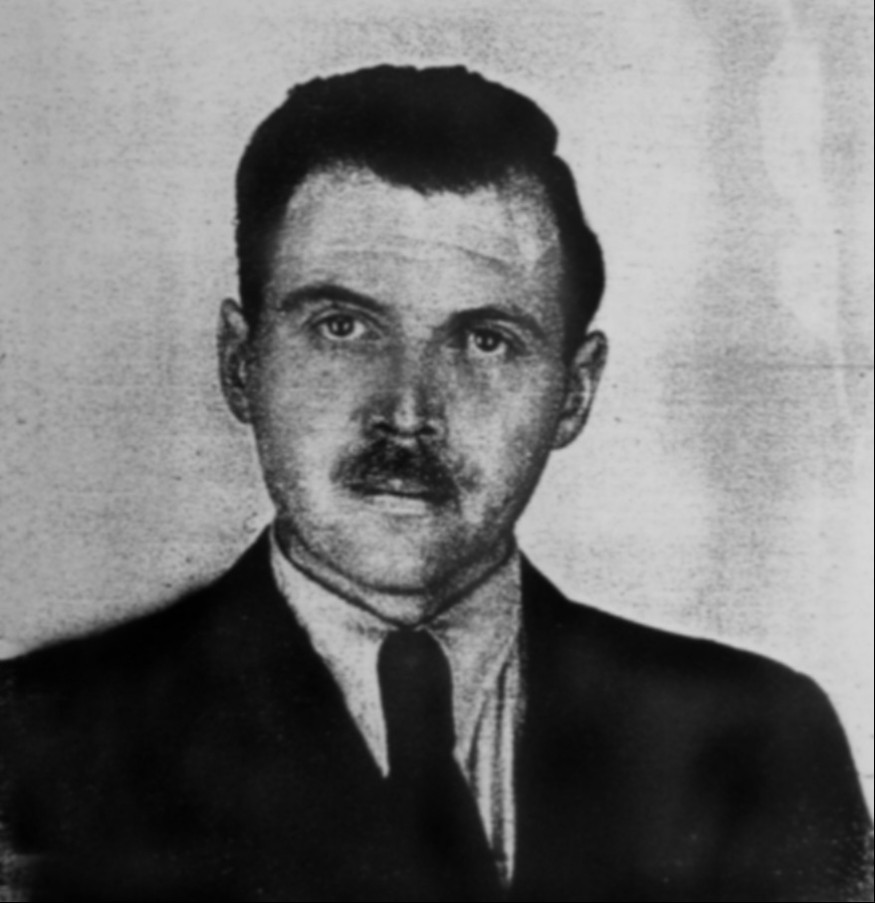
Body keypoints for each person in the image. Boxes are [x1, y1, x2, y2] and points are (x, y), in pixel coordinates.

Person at [1, 65, 871, 902]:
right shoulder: (38, 740)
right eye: (342, 327)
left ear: (573, 393)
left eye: (485, 341)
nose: (408, 412)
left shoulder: (752, 743)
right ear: (241, 363)